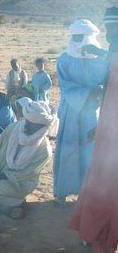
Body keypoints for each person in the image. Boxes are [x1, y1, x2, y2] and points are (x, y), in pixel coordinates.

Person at [69, 7, 118, 253]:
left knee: (110, 187)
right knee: (100, 181)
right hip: (110, 127)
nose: (110, 33)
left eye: (114, 28)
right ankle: (95, 234)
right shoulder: (114, 50)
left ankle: (104, 245)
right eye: (108, 28)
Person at [0, 98, 54, 219]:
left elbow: (22, 175)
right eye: (27, 120)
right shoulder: (14, 128)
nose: (27, 125)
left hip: (19, 184)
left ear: (41, 127)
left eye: (31, 123)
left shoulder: (44, 151)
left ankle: (17, 203)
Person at [53, 19, 108, 204]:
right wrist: (88, 92)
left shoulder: (103, 60)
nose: (76, 41)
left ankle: (88, 195)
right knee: (68, 150)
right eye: (74, 36)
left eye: (79, 37)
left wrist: (100, 91)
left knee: (89, 152)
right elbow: (65, 86)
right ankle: (62, 192)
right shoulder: (65, 58)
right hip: (71, 110)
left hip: (92, 112)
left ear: (89, 37)